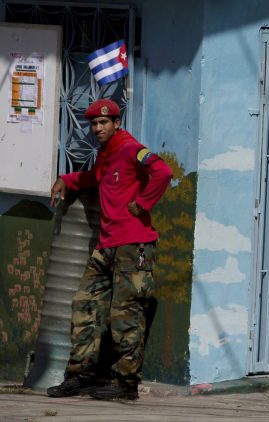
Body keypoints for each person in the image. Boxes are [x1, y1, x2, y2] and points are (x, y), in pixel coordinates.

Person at [46, 99, 173, 401]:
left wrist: (143, 204)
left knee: (125, 315)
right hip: (106, 246)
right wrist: (67, 179)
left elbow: (163, 172)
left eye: (104, 122)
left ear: (116, 123)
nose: (98, 128)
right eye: (93, 124)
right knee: (84, 305)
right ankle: (80, 376)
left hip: (133, 245)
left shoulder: (130, 149)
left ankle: (126, 384)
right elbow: (94, 178)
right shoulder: (106, 156)